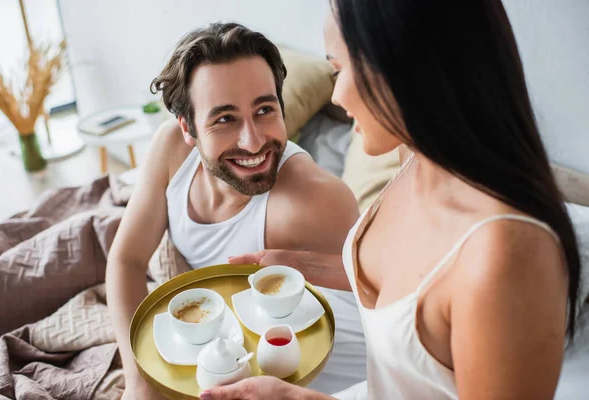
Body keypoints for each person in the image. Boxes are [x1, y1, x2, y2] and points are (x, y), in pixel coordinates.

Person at [204, 1, 582, 399]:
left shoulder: (507, 255)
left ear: (408, 67)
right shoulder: (413, 158)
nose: (335, 95)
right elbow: (402, 281)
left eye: (339, 69)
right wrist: (296, 265)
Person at [105, 23, 360, 400]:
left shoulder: (316, 200)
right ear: (187, 128)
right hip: (231, 362)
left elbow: (389, 307)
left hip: (331, 381)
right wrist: (138, 380)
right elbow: (126, 259)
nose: (253, 140)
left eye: (264, 109)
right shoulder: (171, 151)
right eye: (225, 119)